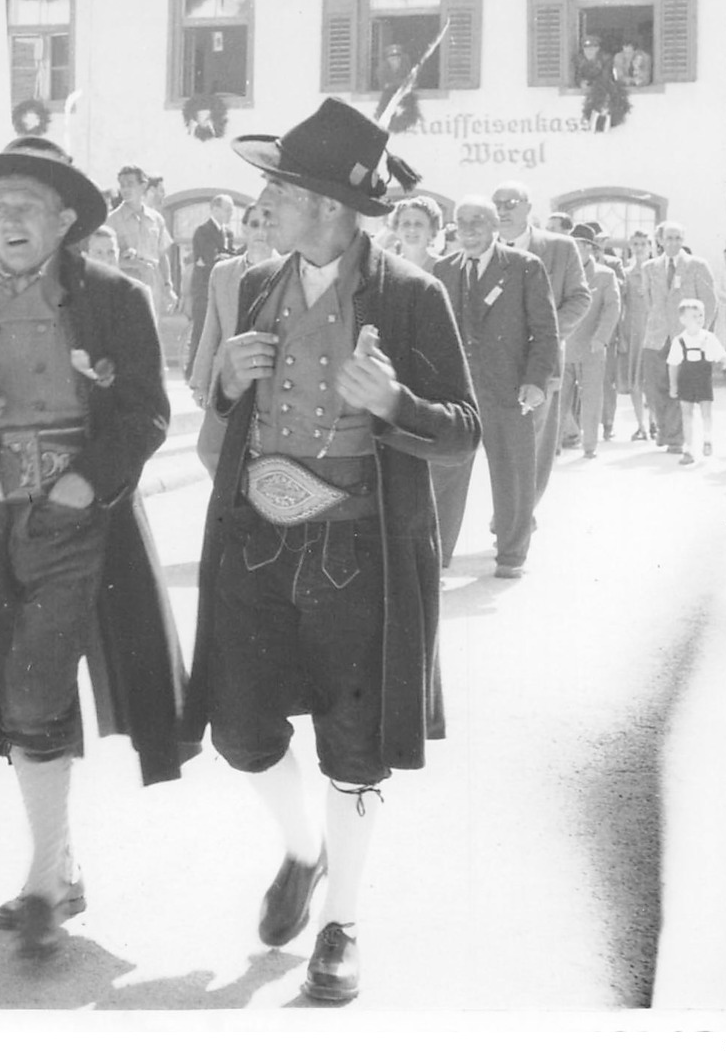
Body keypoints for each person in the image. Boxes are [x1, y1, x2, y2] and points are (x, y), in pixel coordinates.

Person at [184, 99, 480, 1002]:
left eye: (277, 189)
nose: (263, 202)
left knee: (353, 746)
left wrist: (394, 407)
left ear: (325, 206)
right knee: (238, 727)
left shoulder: (409, 295)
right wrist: (226, 387)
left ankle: (341, 920)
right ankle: (304, 851)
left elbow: (464, 433)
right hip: (255, 547)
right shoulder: (254, 283)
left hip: (355, 550)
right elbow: (222, 415)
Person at [0, 135, 188, 960]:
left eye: (28, 204)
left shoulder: (113, 298)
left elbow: (144, 413)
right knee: (17, 691)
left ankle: (40, 880)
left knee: (32, 688)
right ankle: (58, 865)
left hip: (71, 523)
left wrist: (85, 483)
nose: (11, 218)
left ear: (64, 219)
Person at [430, 196, 558, 577]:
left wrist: (535, 382)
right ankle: (438, 556)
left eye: (477, 222)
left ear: (494, 227)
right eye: (461, 222)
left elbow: (545, 332)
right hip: (456, 394)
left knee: (513, 474)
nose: (468, 230)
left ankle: (511, 555)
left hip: (508, 389)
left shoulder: (523, 268)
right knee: (445, 473)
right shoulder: (443, 270)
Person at [491, 181, 588, 491]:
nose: (503, 210)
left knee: (535, 445)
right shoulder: (481, 249)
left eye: (511, 203)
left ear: (529, 208)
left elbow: (579, 298)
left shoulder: (559, 248)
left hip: (541, 363)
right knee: (499, 447)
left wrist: (545, 332)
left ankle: (520, 516)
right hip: (492, 366)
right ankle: (510, 512)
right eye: (498, 204)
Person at [189, 202, 280, 473]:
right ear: (243, 228)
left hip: (270, 378)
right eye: (254, 224)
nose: (261, 232)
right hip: (226, 378)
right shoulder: (223, 272)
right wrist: (200, 381)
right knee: (210, 450)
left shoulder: (288, 268)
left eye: (267, 224)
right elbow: (211, 329)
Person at [640, 221, 717, 453]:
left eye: (677, 238)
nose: (673, 243)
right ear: (660, 241)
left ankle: (674, 437)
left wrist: (700, 334)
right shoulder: (649, 267)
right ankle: (666, 430)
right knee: (653, 387)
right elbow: (649, 303)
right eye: (669, 238)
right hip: (656, 337)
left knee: (679, 387)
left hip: (685, 337)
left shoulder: (697, 266)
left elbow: (710, 303)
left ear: (683, 241)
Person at [560, 223, 621, 460]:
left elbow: (612, 308)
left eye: (577, 246)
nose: (573, 251)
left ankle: (589, 446)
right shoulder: (563, 274)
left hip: (592, 347)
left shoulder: (605, 275)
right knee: (559, 399)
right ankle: (553, 445)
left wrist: (601, 338)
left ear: (588, 248)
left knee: (592, 398)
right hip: (565, 346)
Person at [665, 297, 726, 465]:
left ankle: (707, 439)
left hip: (703, 380)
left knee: (706, 413)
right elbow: (673, 365)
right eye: (694, 316)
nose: (699, 319)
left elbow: (722, 355)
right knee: (687, 414)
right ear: (683, 320)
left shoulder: (709, 338)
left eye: (701, 315)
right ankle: (689, 448)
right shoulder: (679, 341)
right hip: (686, 381)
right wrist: (673, 385)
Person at [105, 165, 175, 314]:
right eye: (122, 185)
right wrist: (133, 264)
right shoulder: (111, 221)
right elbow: (104, 261)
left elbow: (162, 256)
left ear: (143, 186)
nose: (125, 189)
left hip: (153, 285)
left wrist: (168, 287)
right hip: (125, 286)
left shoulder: (156, 219)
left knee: (152, 331)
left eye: (130, 184)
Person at [185, 193, 237, 377]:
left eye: (232, 209)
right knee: (201, 329)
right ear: (214, 209)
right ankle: (192, 371)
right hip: (203, 289)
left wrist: (225, 257)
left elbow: (229, 256)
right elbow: (211, 258)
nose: (231, 213)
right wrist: (223, 257)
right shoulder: (203, 231)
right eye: (227, 209)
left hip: (221, 288)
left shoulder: (228, 233)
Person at [622, 229, 656, 440]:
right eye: (636, 244)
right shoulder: (626, 274)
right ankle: (641, 425)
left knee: (653, 379)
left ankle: (654, 422)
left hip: (654, 331)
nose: (640, 248)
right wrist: (622, 335)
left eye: (643, 243)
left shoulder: (658, 271)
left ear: (651, 246)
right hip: (634, 331)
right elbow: (621, 306)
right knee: (635, 381)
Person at [391, 195, 444, 273]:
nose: (412, 230)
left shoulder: (444, 268)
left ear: (432, 230)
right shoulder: (390, 269)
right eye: (406, 224)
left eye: (418, 224)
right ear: (396, 230)